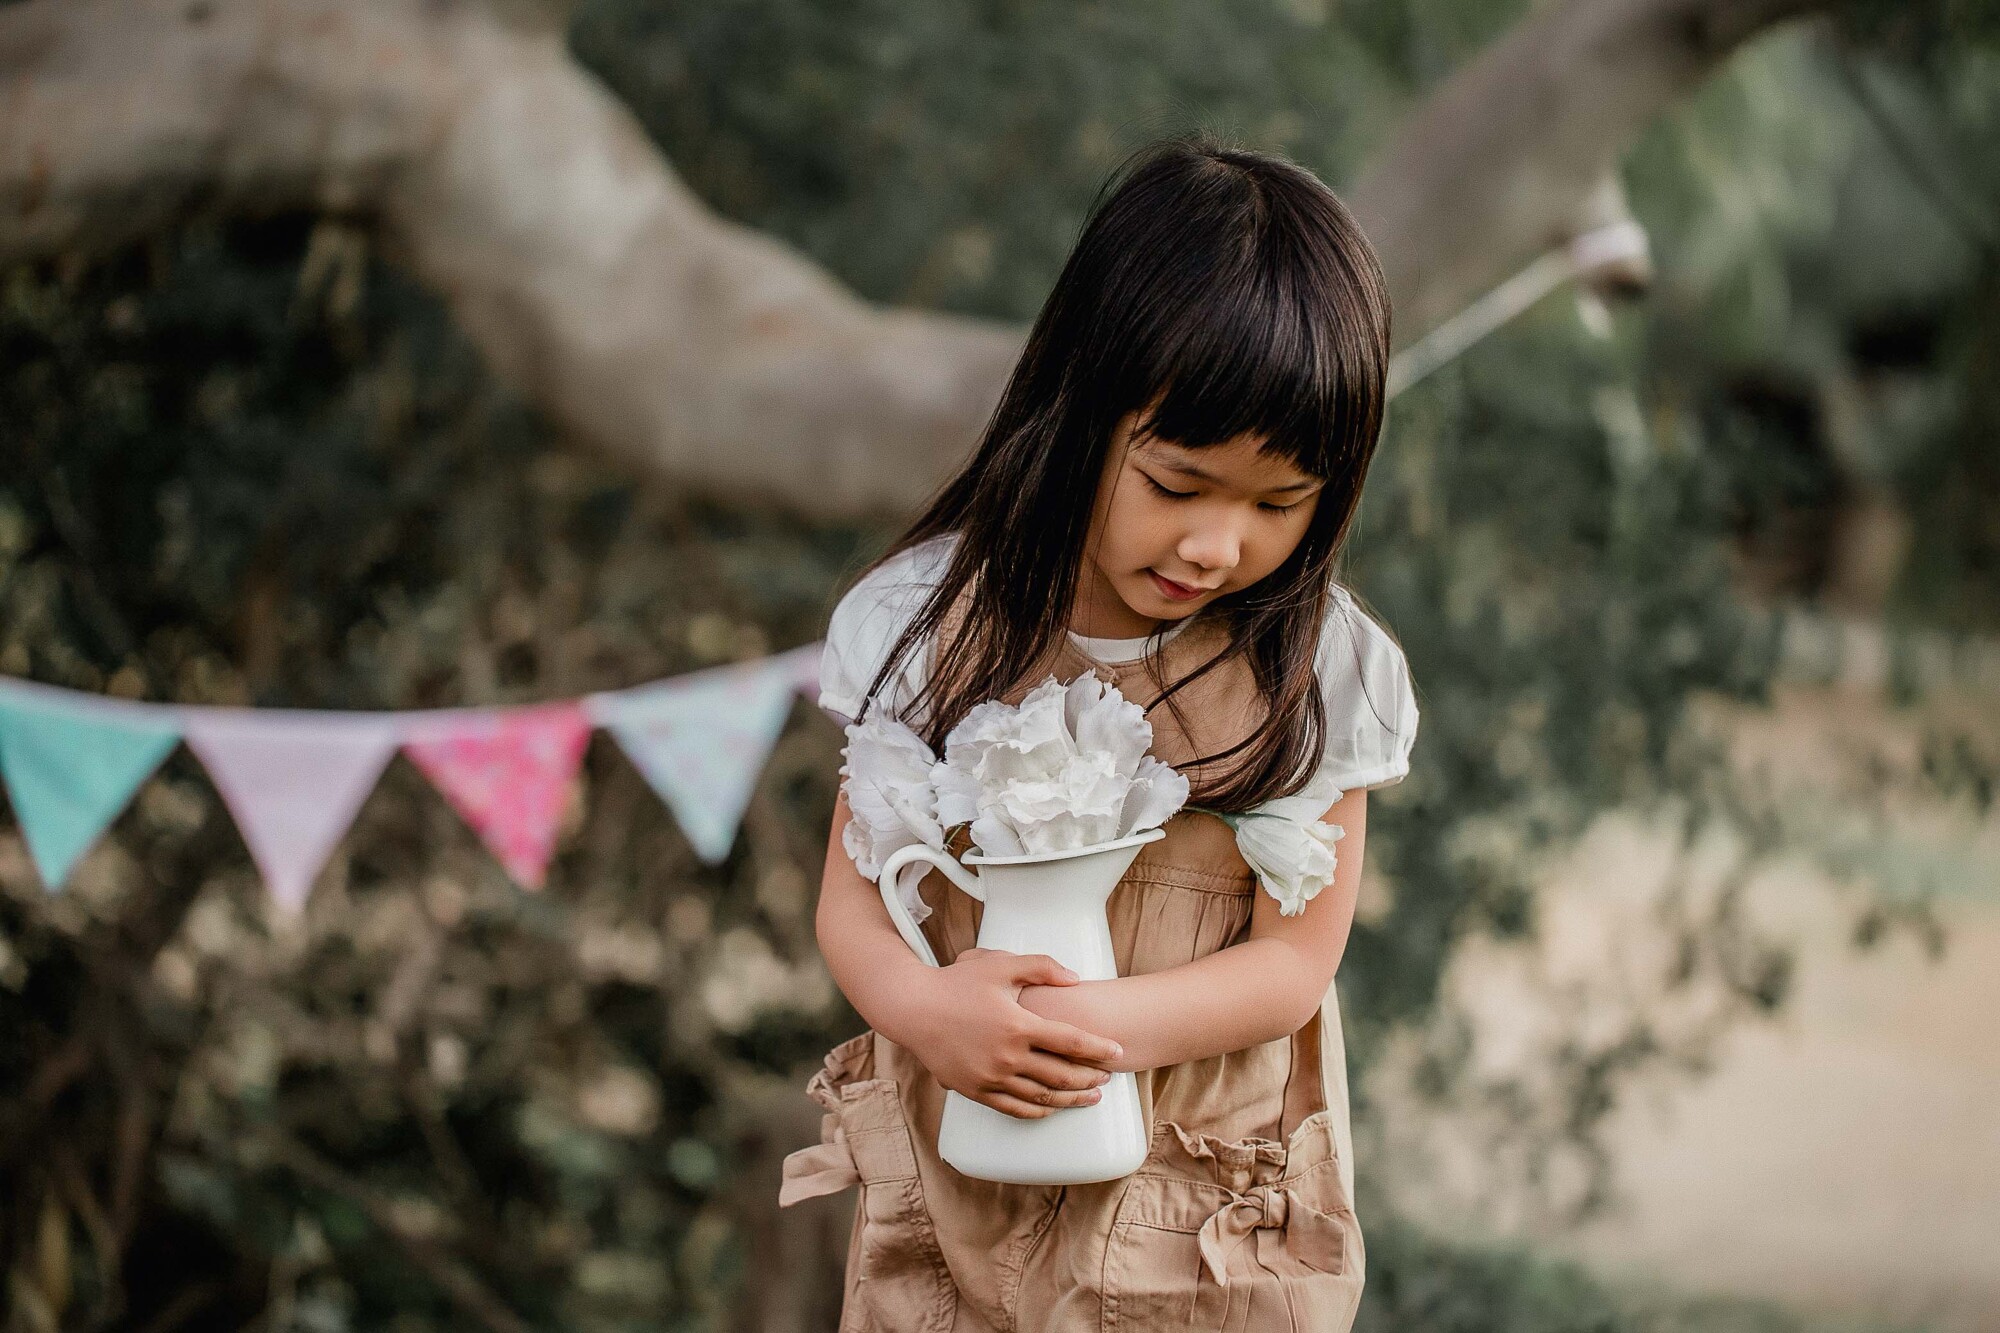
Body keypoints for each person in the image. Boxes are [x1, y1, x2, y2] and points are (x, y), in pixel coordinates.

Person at [777, 131, 1417, 1333]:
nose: (1216, 546)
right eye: (1178, 484)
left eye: (1280, 504)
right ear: (1079, 411)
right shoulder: (925, 629)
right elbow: (851, 901)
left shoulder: (1321, 671)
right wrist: (930, 1015)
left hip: (1201, 1221)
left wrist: (1086, 1030)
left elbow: (1294, 960)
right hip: (957, 1196)